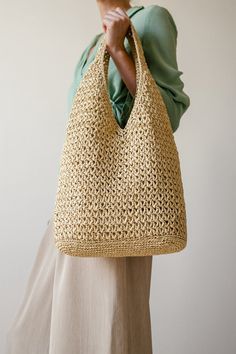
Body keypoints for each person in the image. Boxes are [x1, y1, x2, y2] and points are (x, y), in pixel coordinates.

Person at [6, 1, 191, 354]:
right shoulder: (91, 45)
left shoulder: (151, 20)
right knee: (33, 332)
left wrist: (118, 50)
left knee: (103, 331)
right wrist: (107, 44)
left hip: (123, 211)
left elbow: (166, 114)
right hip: (78, 207)